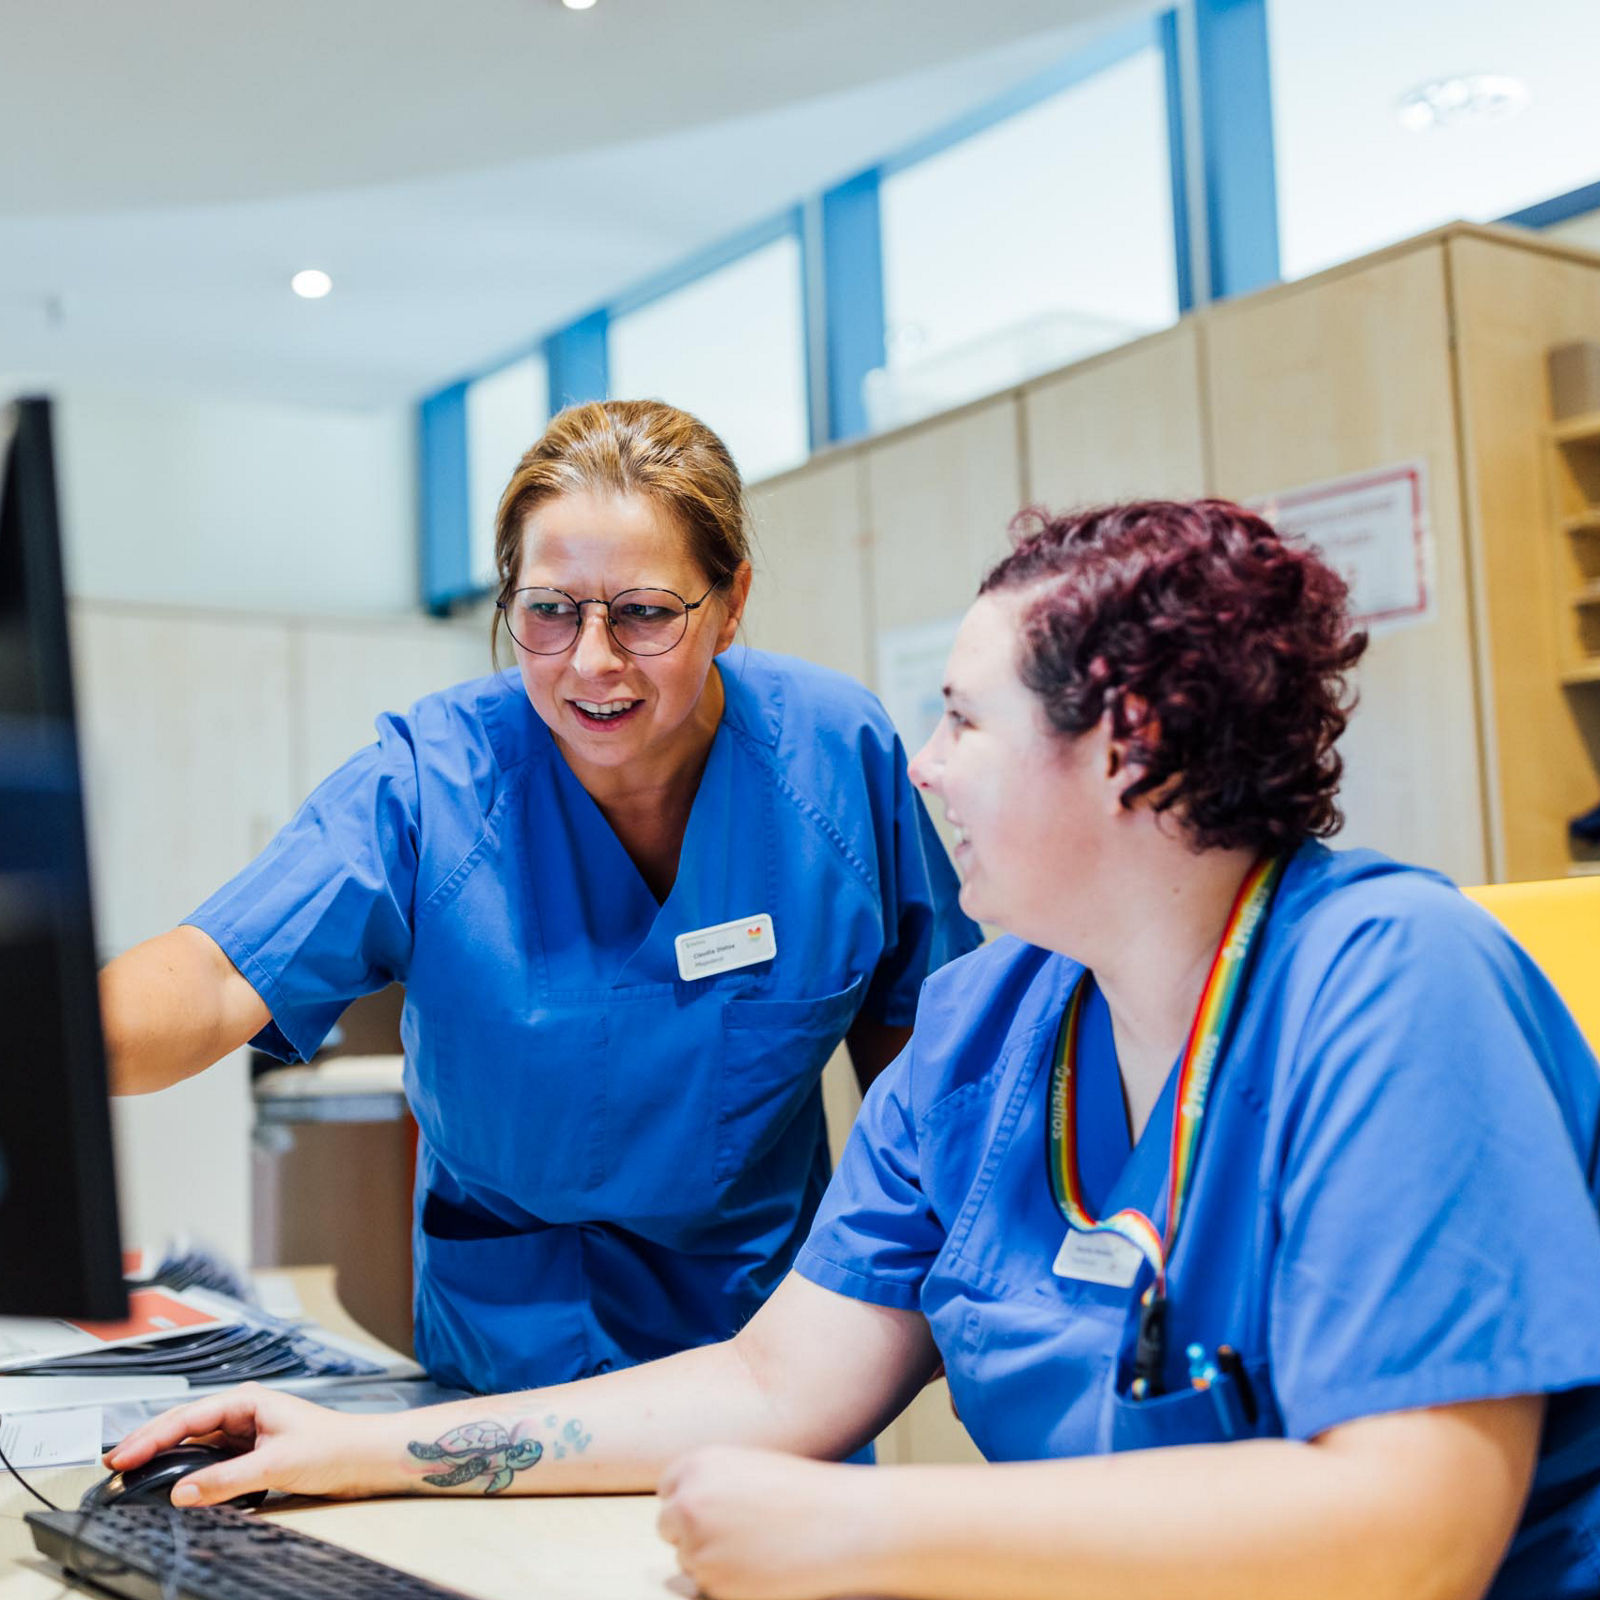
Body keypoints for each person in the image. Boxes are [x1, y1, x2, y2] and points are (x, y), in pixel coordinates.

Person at [109, 500, 1600, 1600]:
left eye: (962, 720)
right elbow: (770, 1389)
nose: (925, 762)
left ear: (1130, 743)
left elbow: (1414, 1536)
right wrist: (347, 1446)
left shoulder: (1399, 989)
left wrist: (871, 1531)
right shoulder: (983, 1034)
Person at [99, 399, 978, 1396]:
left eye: (644, 611)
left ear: (730, 602)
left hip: (762, 1362)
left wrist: (906, 1306)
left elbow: (928, 1064)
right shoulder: (432, 779)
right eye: (549, 610)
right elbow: (215, 973)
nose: (591, 661)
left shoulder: (833, 760)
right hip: (507, 1367)